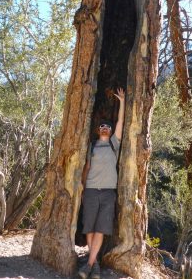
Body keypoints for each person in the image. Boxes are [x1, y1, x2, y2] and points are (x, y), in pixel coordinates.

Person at [78, 88, 125, 279]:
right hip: (90, 190)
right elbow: (85, 167)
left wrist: (122, 101)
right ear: (98, 131)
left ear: (111, 131)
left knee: (100, 229)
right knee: (89, 227)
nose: (105, 128)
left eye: (107, 127)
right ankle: (94, 265)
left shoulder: (114, 144)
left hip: (108, 192)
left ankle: (89, 265)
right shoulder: (91, 146)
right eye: (102, 127)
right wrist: (81, 187)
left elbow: (121, 122)